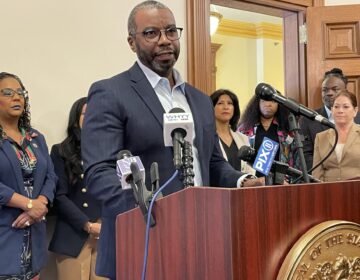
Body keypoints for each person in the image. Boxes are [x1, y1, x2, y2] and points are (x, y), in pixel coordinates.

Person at [81, 1, 264, 278]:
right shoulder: (111, 92)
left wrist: (242, 181)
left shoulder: (201, 100)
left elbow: (212, 163)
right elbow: (99, 172)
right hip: (143, 241)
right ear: (132, 42)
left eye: (170, 31)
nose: (165, 40)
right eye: (152, 33)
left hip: (202, 240)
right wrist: (155, 209)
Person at [0, 72, 56, 279]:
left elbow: (51, 176)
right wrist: (27, 204)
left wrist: (40, 203)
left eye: (20, 92)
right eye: (7, 93)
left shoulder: (35, 137)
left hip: (34, 240)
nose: (16, 97)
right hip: (5, 236)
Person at [48, 97, 105, 280]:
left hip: (105, 233)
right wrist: (87, 225)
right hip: (73, 234)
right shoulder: (61, 151)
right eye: (86, 114)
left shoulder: (110, 150)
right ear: (76, 119)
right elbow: (59, 196)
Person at [300, 68, 360, 172]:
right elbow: (305, 155)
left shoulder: (358, 118)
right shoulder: (308, 119)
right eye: (325, 90)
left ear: (345, 91)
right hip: (323, 181)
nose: (329, 93)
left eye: (335, 89)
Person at [239, 92, 299, 177]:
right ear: (257, 103)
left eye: (273, 101)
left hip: (282, 182)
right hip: (252, 182)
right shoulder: (244, 129)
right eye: (264, 101)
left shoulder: (288, 130)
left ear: (279, 104)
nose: (268, 104)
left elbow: (296, 158)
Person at [313, 90, 360, 181]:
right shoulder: (321, 137)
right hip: (328, 191)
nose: (340, 111)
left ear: (355, 111)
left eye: (345, 107)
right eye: (336, 107)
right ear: (332, 110)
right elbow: (317, 174)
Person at [210, 89, 255, 174]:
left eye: (230, 103)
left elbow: (250, 169)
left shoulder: (243, 138)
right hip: (215, 186)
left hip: (242, 185)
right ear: (211, 108)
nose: (226, 107)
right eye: (220, 103)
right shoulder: (207, 138)